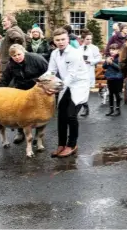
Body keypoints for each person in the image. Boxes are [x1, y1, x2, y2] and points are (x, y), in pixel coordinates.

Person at [45, 28, 90, 158]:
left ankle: (71, 144)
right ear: (54, 41)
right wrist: (42, 81)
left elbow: (71, 75)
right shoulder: (55, 53)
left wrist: (56, 88)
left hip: (78, 85)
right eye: (58, 40)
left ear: (68, 39)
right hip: (66, 85)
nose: (61, 42)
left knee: (71, 115)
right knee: (61, 115)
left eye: (63, 39)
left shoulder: (74, 54)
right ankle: (61, 144)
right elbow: (51, 71)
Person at [0, 44, 49, 144]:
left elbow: (49, 72)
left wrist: (44, 84)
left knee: (39, 112)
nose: (17, 57)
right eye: (14, 56)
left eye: (19, 54)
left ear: (23, 52)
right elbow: (5, 79)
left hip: (37, 89)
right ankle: (20, 132)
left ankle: (38, 134)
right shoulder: (11, 64)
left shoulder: (36, 59)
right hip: (22, 89)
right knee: (21, 111)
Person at [80, 30, 102, 117]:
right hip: (80, 72)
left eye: (90, 39)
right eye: (87, 39)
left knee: (85, 91)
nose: (89, 41)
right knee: (81, 91)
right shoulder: (79, 48)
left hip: (89, 71)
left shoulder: (94, 48)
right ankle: (84, 106)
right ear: (83, 39)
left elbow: (98, 58)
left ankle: (85, 107)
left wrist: (90, 61)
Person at [103, 43, 124, 117]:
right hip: (110, 78)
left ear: (118, 51)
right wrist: (107, 61)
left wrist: (111, 63)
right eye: (110, 49)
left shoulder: (120, 58)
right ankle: (111, 109)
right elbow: (104, 67)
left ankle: (118, 109)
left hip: (118, 78)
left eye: (114, 49)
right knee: (111, 94)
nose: (111, 51)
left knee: (117, 94)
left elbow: (119, 68)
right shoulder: (109, 57)